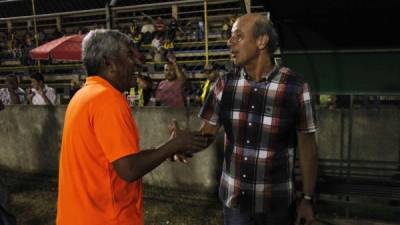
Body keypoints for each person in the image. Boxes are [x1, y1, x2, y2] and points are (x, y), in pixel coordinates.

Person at [177, 14, 318, 225]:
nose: (229, 42)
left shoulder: (295, 87)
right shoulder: (224, 85)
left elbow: (308, 147)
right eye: (230, 37)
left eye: (238, 37)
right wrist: (182, 145)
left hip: (276, 205)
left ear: (262, 41)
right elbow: (206, 134)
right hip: (235, 204)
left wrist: (307, 199)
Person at [56, 29, 209, 225]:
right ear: (109, 63)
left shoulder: (82, 95)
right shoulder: (108, 99)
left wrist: (167, 148)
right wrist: (174, 145)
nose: (136, 62)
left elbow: (116, 160)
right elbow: (129, 169)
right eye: (129, 55)